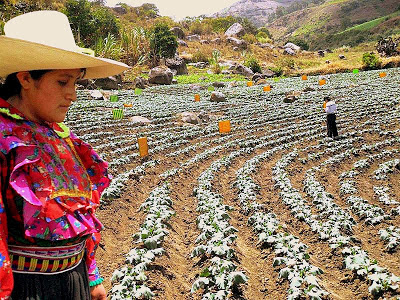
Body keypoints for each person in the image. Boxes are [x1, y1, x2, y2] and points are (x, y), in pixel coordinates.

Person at [0, 10, 129, 299]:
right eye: (62, 82)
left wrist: (92, 277)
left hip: (74, 283)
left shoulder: (61, 137)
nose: (72, 94)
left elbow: (81, 215)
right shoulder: (3, 137)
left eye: (75, 83)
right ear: (25, 78)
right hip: (25, 289)